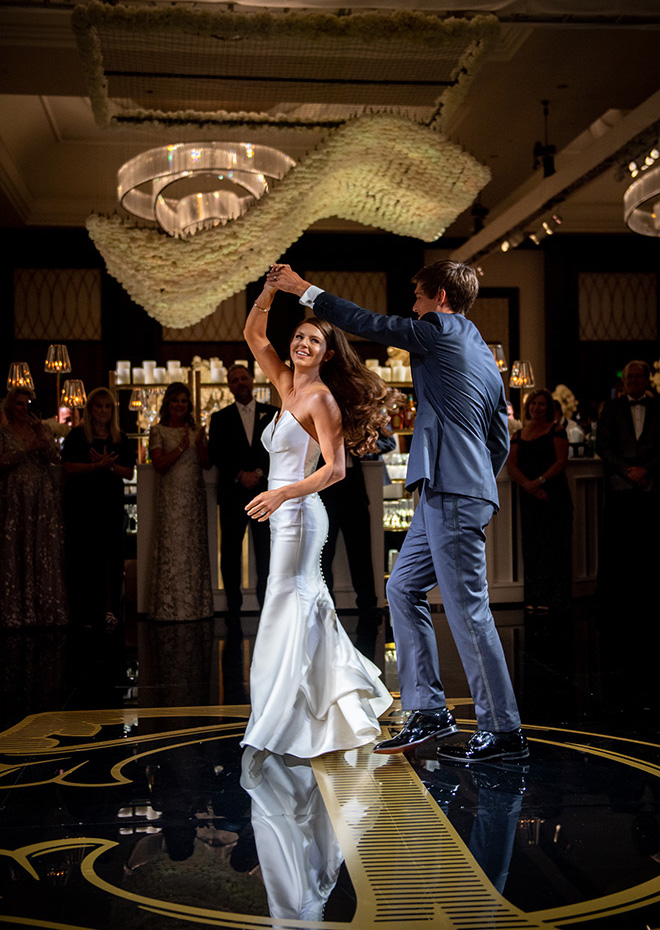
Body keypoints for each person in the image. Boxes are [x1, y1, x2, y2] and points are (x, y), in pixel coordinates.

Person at [269, 259, 527, 764]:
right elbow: (498, 437)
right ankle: (429, 711)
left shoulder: (438, 329)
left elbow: (369, 322)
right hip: (451, 489)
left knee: (468, 608)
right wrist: (476, 478)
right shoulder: (480, 351)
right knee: (402, 587)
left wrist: (306, 290)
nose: (413, 307)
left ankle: (503, 729)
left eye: (418, 298)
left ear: (441, 299)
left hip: (451, 491)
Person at [240, 281, 394, 757]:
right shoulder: (287, 385)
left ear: (327, 354)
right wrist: (269, 292)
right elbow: (254, 337)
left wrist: (281, 493)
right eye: (300, 337)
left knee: (291, 599)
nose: (302, 345)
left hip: (301, 514)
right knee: (289, 603)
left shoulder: (321, 399)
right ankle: (302, 704)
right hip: (285, 510)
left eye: (315, 341)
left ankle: (296, 712)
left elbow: (337, 468)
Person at [596, 360, 660, 698]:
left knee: (650, 546)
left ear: (647, 379)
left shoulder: (658, 406)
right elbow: (602, 445)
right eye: (630, 376)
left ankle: (649, 598)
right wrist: (627, 471)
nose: (635, 380)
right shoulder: (613, 408)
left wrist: (644, 470)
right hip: (620, 487)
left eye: (640, 375)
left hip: (651, 486)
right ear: (624, 381)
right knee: (619, 546)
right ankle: (619, 601)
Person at [208, 365, 278, 627]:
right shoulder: (220, 417)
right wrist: (239, 474)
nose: (240, 383)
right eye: (234, 380)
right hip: (232, 494)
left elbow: (278, 448)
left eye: (243, 378)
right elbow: (216, 452)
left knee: (265, 552)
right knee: (230, 552)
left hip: (264, 494)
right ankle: (233, 608)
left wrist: (259, 472)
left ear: (252, 381)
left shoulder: (272, 414)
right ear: (229, 387)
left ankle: (266, 606)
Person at [62, 387, 136, 630]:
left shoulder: (120, 438)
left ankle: (110, 610)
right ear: (90, 410)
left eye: (107, 407)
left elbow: (129, 471)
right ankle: (85, 613)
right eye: (99, 406)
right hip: (83, 505)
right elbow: (68, 467)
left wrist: (109, 466)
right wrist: (95, 467)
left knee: (112, 559)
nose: (103, 411)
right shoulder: (77, 436)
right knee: (84, 558)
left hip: (110, 504)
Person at [319, 429, 395, 661]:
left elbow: (388, 442)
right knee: (324, 553)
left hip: (353, 489)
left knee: (361, 552)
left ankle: (369, 608)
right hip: (324, 489)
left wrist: (363, 446)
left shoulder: (356, 418)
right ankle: (325, 608)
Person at [0, 387, 68, 628]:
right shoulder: (4, 432)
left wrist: (41, 434)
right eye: (19, 404)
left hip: (41, 496)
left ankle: (44, 608)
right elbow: (2, 461)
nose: (24, 408)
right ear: (10, 406)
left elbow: (53, 458)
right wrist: (25, 450)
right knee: (18, 546)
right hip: (16, 497)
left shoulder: (39, 429)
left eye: (27, 403)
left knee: (40, 547)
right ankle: (18, 609)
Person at [148, 382, 214, 623]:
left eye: (184, 401)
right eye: (175, 400)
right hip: (171, 498)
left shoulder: (196, 432)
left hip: (194, 499)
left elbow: (206, 464)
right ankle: (169, 608)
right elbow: (159, 465)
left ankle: (197, 607)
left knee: (193, 549)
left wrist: (199, 445)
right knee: (172, 548)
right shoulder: (158, 431)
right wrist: (181, 447)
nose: (179, 405)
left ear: (189, 405)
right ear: (168, 403)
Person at [507, 389, 573, 613]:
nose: (537, 408)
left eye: (542, 404)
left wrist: (540, 481)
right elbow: (512, 465)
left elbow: (562, 461)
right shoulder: (518, 434)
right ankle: (533, 597)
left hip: (554, 495)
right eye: (533, 404)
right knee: (532, 547)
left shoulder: (557, 431)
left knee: (554, 546)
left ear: (550, 408)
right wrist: (529, 485)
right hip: (529, 497)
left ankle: (554, 598)